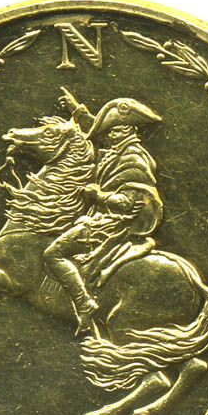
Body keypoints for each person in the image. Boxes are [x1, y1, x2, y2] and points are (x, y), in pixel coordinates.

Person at [43, 90, 164, 333]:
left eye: (115, 131)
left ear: (127, 131)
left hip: (112, 225)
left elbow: (130, 202)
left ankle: (84, 304)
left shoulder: (134, 159)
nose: (109, 136)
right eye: (110, 131)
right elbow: (95, 130)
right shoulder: (120, 150)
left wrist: (98, 196)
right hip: (101, 217)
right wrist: (77, 110)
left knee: (52, 253)